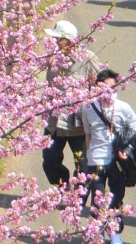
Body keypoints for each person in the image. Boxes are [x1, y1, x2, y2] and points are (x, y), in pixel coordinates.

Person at [81, 68, 136, 244]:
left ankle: (114, 231)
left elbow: (134, 130)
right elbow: (87, 134)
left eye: (112, 88)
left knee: (116, 198)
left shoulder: (124, 108)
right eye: (103, 87)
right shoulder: (88, 108)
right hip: (96, 160)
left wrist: (127, 150)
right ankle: (96, 243)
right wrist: (89, 157)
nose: (108, 92)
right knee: (97, 202)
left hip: (117, 161)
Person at [42, 20, 100, 187]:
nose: (53, 42)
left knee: (82, 163)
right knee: (50, 159)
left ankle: (77, 197)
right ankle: (63, 184)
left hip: (78, 122)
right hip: (54, 121)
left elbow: (103, 84)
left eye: (57, 39)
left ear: (67, 41)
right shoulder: (52, 58)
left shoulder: (88, 57)